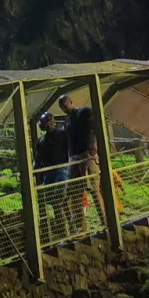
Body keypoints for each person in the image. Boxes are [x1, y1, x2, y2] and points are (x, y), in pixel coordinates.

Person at [58, 94, 98, 232]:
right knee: (73, 192)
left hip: (86, 154)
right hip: (74, 156)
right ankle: (81, 228)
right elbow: (68, 139)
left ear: (70, 101)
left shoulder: (84, 112)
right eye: (61, 106)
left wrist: (94, 143)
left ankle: (106, 222)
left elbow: (95, 127)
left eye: (65, 104)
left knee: (94, 189)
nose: (64, 107)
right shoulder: (67, 121)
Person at [33, 111, 72, 240]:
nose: (43, 125)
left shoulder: (62, 134)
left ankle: (67, 227)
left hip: (62, 169)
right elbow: (38, 158)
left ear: (51, 120)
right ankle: (64, 228)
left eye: (44, 121)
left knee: (59, 198)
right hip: (49, 172)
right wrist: (34, 170)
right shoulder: (42, 140)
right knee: (54, 201)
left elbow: (69, 149)